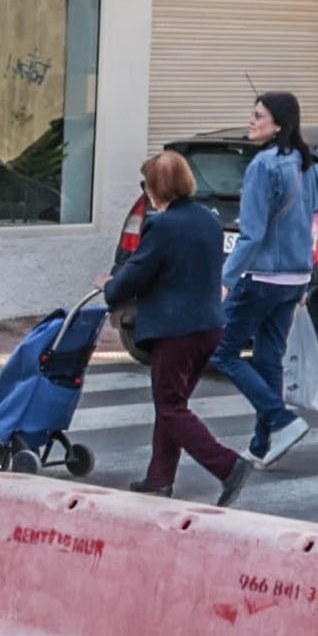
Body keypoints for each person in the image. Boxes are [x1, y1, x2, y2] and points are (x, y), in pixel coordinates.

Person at [97, 146, 250, 503]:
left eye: (147, 183)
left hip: (175, 331)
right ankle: (159, 478)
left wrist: (109, 287)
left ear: (157, 187)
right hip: (208, 325)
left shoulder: (162, 225)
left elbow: (138, 270)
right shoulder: (208, 218)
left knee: (170, 407)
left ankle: (228, 466)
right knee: (173, 404)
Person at [214, 91, 318, 464]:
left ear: (278, 125)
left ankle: (281, 419)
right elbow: (314, 225)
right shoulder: (311, 165)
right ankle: (262, 444)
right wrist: (309, 278)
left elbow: (253, 233)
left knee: (222, 351)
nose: (251, 120)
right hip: (294, 279)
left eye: (258, 115)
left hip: (262, 278)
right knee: (268, 358)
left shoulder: (263, 166)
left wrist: (226, 277)